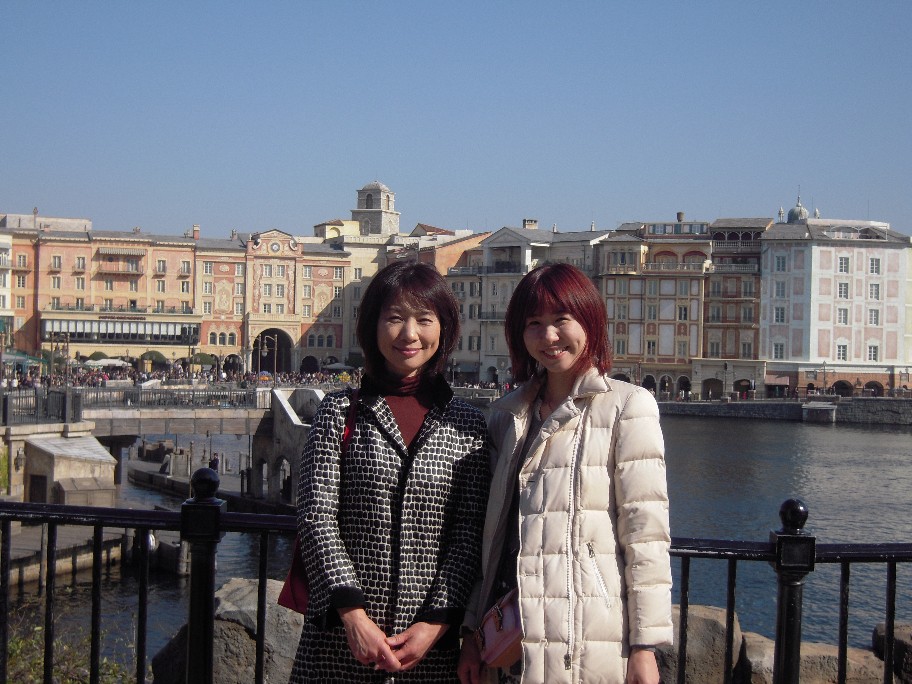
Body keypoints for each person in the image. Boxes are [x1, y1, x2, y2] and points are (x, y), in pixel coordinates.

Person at [458, 263, 673, 684]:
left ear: (589, 321)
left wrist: (644, 647)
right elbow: (490, 537)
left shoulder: (628, 407)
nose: (549, 336)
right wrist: (471, 631)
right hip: (509, 637)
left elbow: (645, 534)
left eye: (561, 320)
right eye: (534, 324)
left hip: (584, 634)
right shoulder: (506, 417)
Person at [290, 260, 490, 683]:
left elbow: (468, 533)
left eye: (424, 319)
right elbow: (315, 517)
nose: (409, 334)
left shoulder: (466, 424)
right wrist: (353, 615)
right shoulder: (339, 411)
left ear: (444, 328)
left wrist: (435, 623)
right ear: (373, 325)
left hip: (427, 652)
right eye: (395, 318)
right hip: (340, 644)